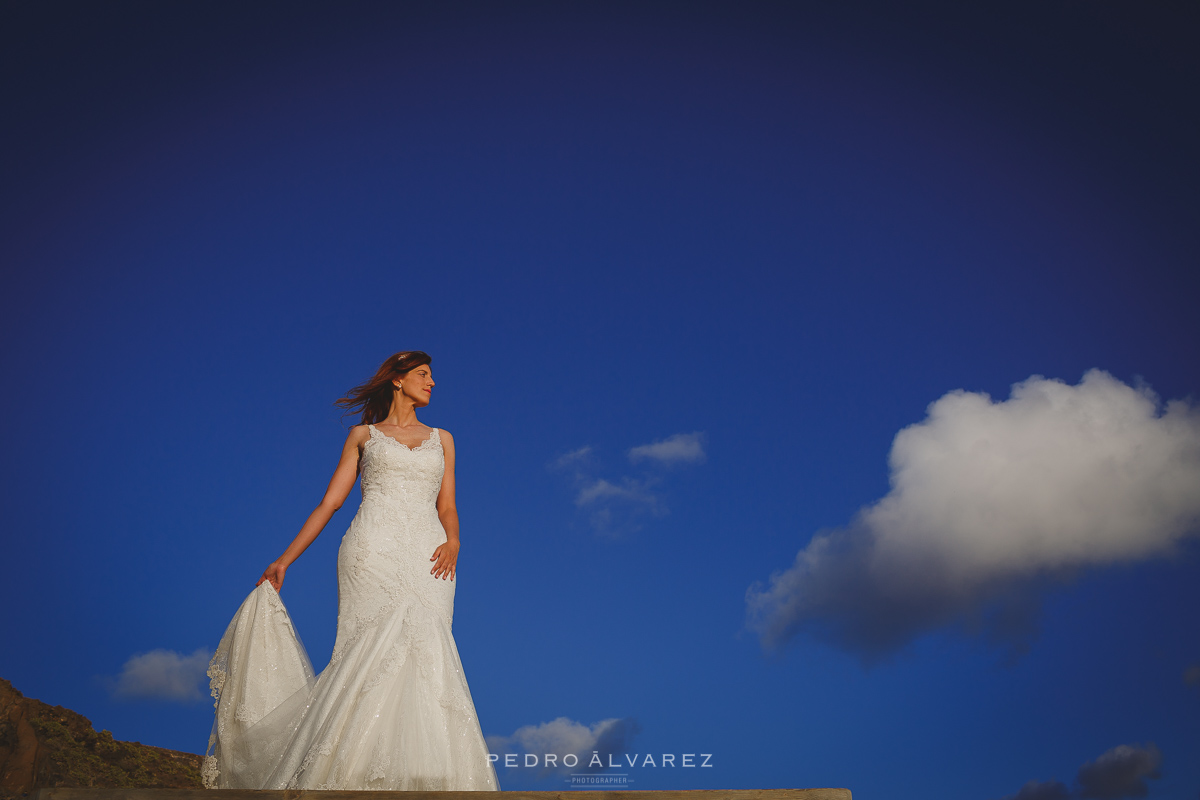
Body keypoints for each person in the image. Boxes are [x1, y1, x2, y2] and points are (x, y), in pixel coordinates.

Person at [202, 351, 499, 791]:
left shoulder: (444, 438)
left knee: (428, 645)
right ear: (398, 381)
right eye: (423, 375)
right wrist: (285, 559)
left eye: (432, 376)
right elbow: (331, 502)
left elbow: (448, 504)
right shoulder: (364, 435)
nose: (432, 383)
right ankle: (347, 775)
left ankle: (423, 776)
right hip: (371, 551)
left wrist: (454, 541)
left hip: (430, 556)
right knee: (366, 652)